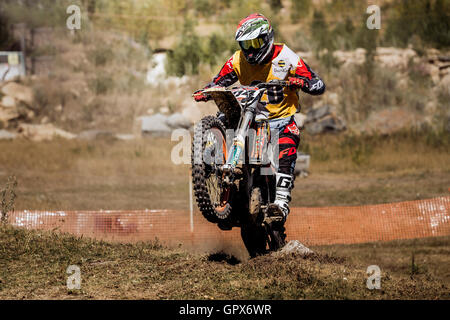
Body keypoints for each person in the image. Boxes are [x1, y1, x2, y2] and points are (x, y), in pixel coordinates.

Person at [193, 13, 325, 222]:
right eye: (246, 45)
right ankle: (212, 162)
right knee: (223, 115)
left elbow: (317, 83)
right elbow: (218, 82)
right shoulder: (237, 59)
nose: (251, 50)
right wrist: (206, 91)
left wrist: (302, 82)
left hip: (279, 120)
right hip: (249, 117)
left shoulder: (286, 56)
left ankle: (281, 204)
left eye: (256, 43)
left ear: (267, 38)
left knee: (288, 143)